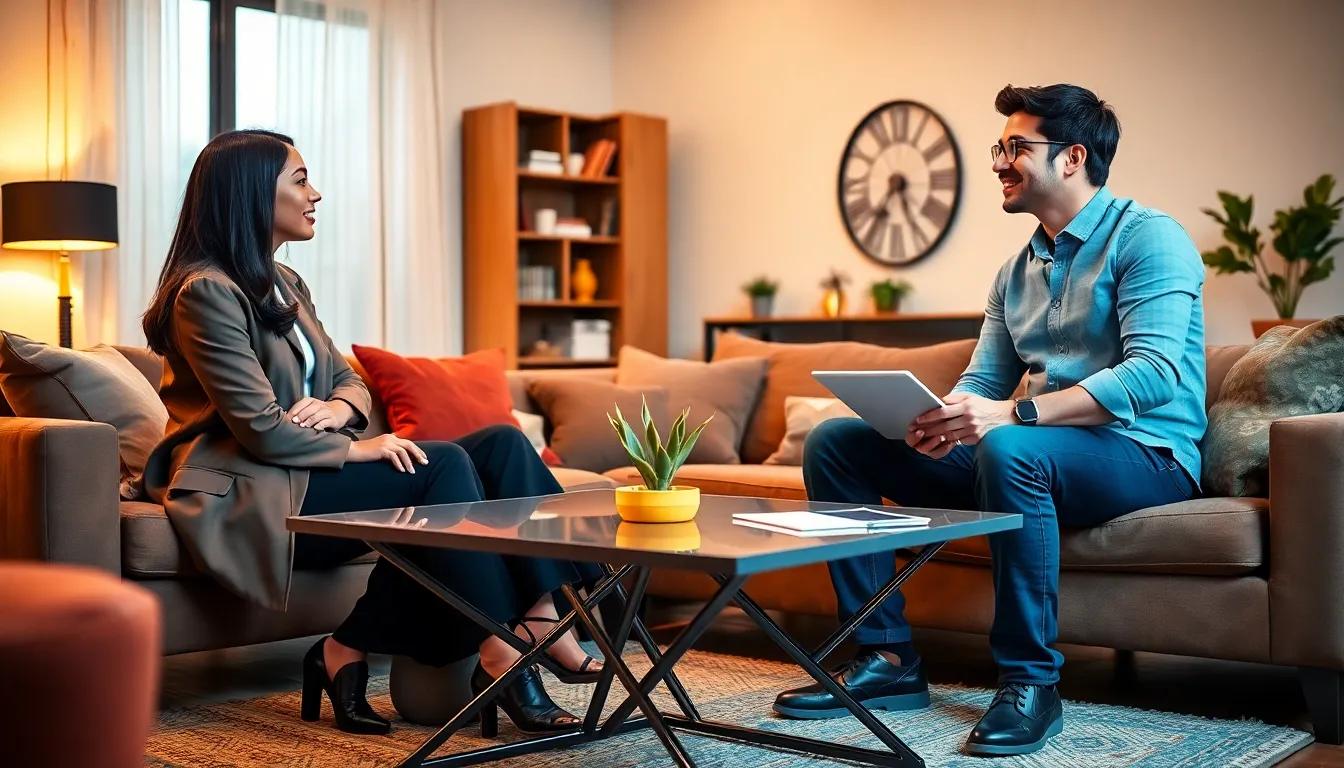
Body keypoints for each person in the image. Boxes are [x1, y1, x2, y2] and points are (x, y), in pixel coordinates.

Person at [773, 84, 1206, 757]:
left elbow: (1154, 374)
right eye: (998, 147)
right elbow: (983, 382)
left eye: (1016, 148)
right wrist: (940, 418)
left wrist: (1012, 415)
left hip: (1145, 454)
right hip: (1040, 451)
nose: (1000, 161)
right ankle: (886, 659)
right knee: (839, 444)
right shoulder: (1015, 271)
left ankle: (1031, 684)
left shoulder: (1150, 238)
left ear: (1072, 158)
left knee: (1011, 450)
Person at [137, 129, 603, 736]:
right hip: (251, 490)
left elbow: (347, 381)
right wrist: (361, 445)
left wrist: (338, 410)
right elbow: (260, 431)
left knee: (502, 444)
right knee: (440, 469)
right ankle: (502, 651)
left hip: (303, 472)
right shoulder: (205, 294)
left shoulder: (285, 284)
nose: (316, 194)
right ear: (253, 195)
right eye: (301, 180)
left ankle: (538, 619)